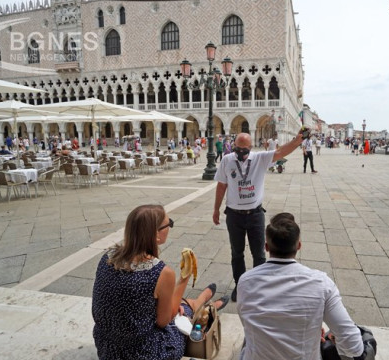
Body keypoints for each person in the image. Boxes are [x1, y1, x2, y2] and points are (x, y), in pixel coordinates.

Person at [92, 205, 229, 360]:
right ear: (156, 235)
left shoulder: (107, 257)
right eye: (168, 224)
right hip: (145, 353)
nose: (170, 226)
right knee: (182, 309)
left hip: (107, 349)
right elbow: (163, 321)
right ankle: (201, 303)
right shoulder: (161, 272)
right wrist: (185, 277)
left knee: (174, 303)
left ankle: (200, 302)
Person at [237, 213, 368, 360]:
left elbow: (248, 322)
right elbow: (354, 347)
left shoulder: (245, 281)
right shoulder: (322, 284)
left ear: (266, 247)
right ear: (299, 246)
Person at [213, 131, 305, 302]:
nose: (240, 152)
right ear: (234, 146)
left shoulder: (259, 159)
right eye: (237, 149)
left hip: (255, 214)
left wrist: (297, 141)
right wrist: (216, 209)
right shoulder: (227, 160)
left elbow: (281, 152)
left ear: (250, 147)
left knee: (259, 254)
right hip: (234, 215)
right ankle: (240, 286)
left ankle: (259, 286)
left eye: (244, 149)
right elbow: (221, 185)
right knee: (236, 253)